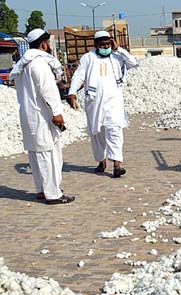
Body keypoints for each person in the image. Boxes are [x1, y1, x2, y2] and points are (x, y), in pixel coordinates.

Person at [9, 28, 75, 205]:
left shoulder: (23, 65)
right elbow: (48, 90)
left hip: (28, 115)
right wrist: (57, 113)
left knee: (36, 155)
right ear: (44, 44)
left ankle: (41, 189)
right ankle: (53, 193)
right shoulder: (38, 64)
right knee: (48, 154)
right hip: (41, 116)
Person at [66, 31, 138, 178]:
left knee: (114, 130)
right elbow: (79, 76)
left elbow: (133, 63)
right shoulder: (88, 58)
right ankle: (101, 161)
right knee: (96, 133)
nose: (106, 47)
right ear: (96, 44)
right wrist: (72, 92)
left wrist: (118, 49)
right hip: (94, 102)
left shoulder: (117, 56)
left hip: (114, 102)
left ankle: (117, 165)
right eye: (103, 44)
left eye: (108, 44)